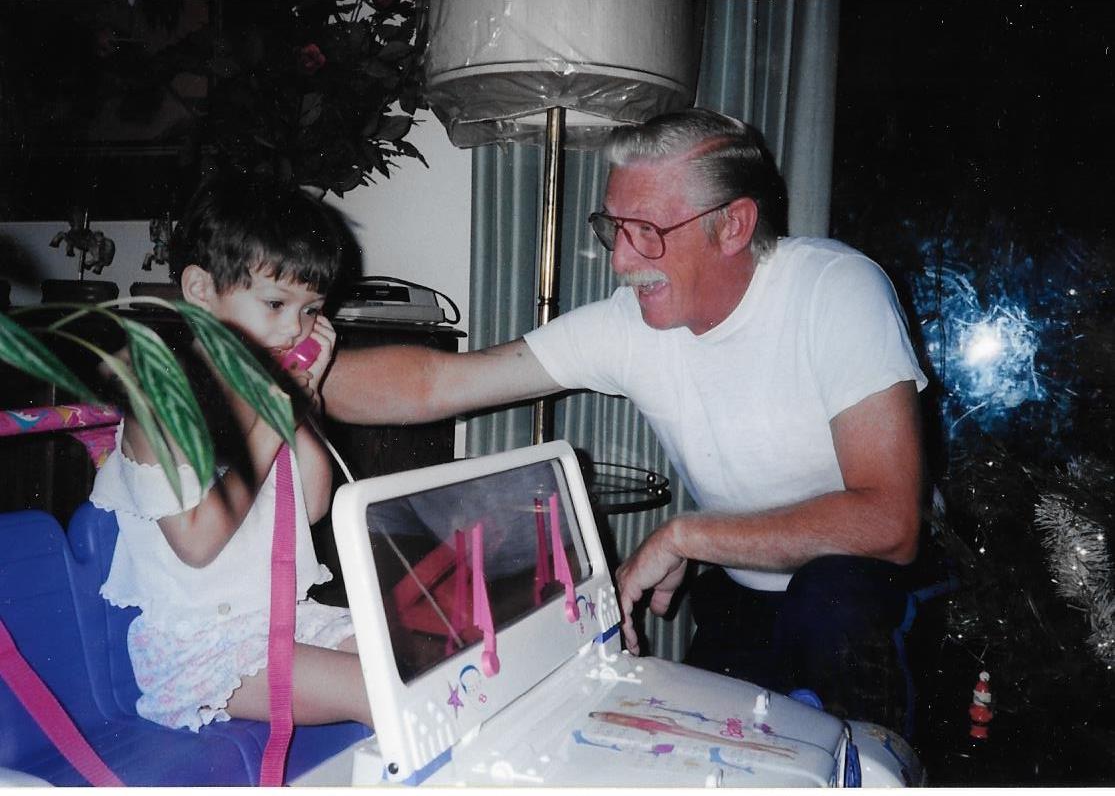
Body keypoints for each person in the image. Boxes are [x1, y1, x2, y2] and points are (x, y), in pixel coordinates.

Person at [322, 108, 928, 727]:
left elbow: (891, 521)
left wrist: (686, 536)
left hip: (861, 601)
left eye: (648, 230)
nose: (621, 260)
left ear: (733, 225)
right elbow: (434, 384)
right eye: (615, 227)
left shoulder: (835, 290)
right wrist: (289, 367)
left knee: (831, 607)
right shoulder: (628, 326)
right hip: (743, 594)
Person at [90, 171, 371, 732]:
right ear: (201, 290)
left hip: (280, 622)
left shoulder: (263, 388)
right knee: (379, 692)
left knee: (417, 659)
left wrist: (305, 402)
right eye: (276, 303)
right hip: (199, 651)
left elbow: (313, 503)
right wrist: (270, 424)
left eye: (311, 310)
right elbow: (196, 543)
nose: (295, 330)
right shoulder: (162, 398)